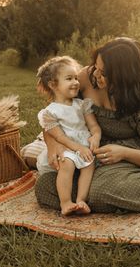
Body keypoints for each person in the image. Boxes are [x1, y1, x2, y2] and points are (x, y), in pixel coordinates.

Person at [35, 37, 140, 214]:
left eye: (104, 73)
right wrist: (54, 144)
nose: (96, 75)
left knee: (104, 189)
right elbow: (54, 115)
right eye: (96, 67)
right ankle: (86, 200)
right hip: (87, 157)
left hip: (124, 163)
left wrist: (123, 153)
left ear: (124, 77)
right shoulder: (86, 78)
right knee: (45, 186)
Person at [36, 56, 101, 215]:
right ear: (53, 85)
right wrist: (78, 148)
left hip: (84, 146)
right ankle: (65, 202)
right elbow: (60, 138)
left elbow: (93, 126)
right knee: (67, 164)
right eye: (69, 78)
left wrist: (96, 136)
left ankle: (80, 200)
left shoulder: (82, 105)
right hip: (66, 147)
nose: (75, 82)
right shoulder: (50, 112)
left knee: (89, 165)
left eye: (76, 78)